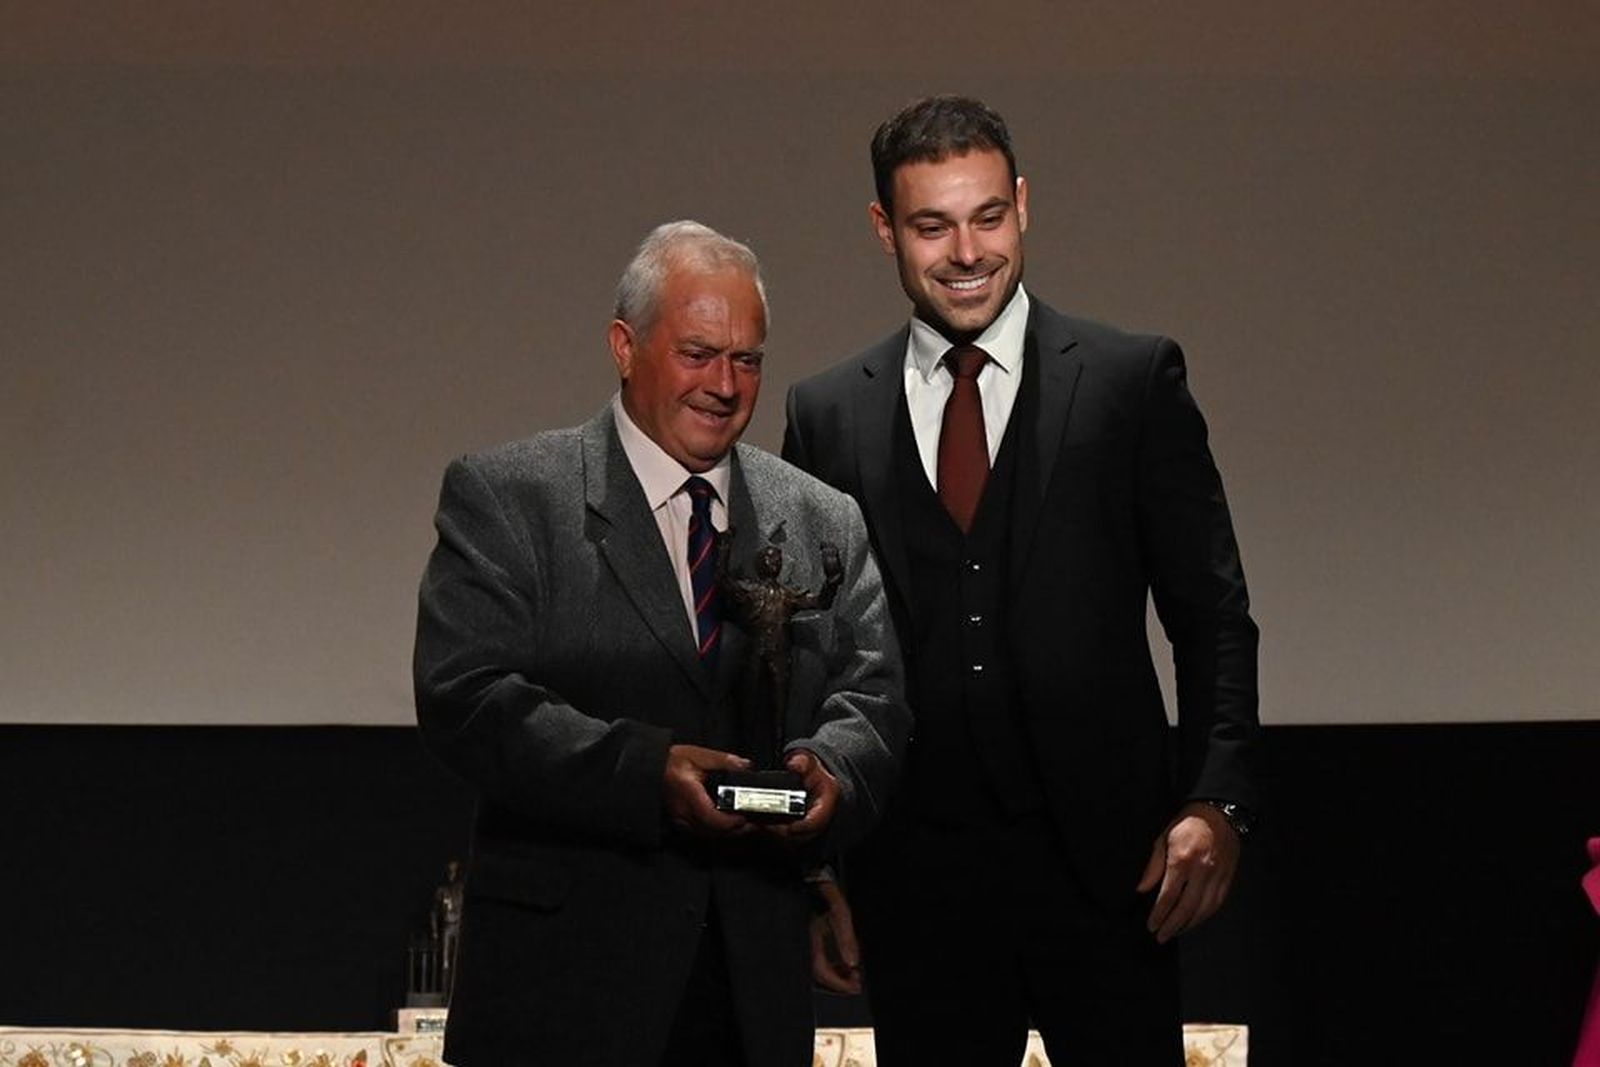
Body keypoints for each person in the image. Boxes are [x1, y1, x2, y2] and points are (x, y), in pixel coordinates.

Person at [782, 96, 1260, 1065]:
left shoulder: (1130, 381)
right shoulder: (827, 413)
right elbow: (803, 656)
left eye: (988, 216)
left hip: (1113, 875)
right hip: (910, 881)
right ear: (884, 230)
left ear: (1024, 205)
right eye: (931, 224)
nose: (967, 250)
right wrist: (814, 865)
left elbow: (1211, 615)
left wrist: (1217, 801)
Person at [414, 221, 909, 1067]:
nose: (725, 384)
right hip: (563, 993)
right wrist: (648, 772)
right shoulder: (510, 497)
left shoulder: (822, 516)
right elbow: (467, 695)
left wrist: (836, 770)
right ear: (623, 345)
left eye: (747, 359)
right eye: (698, 353)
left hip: (750, 992)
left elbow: (875, 695)